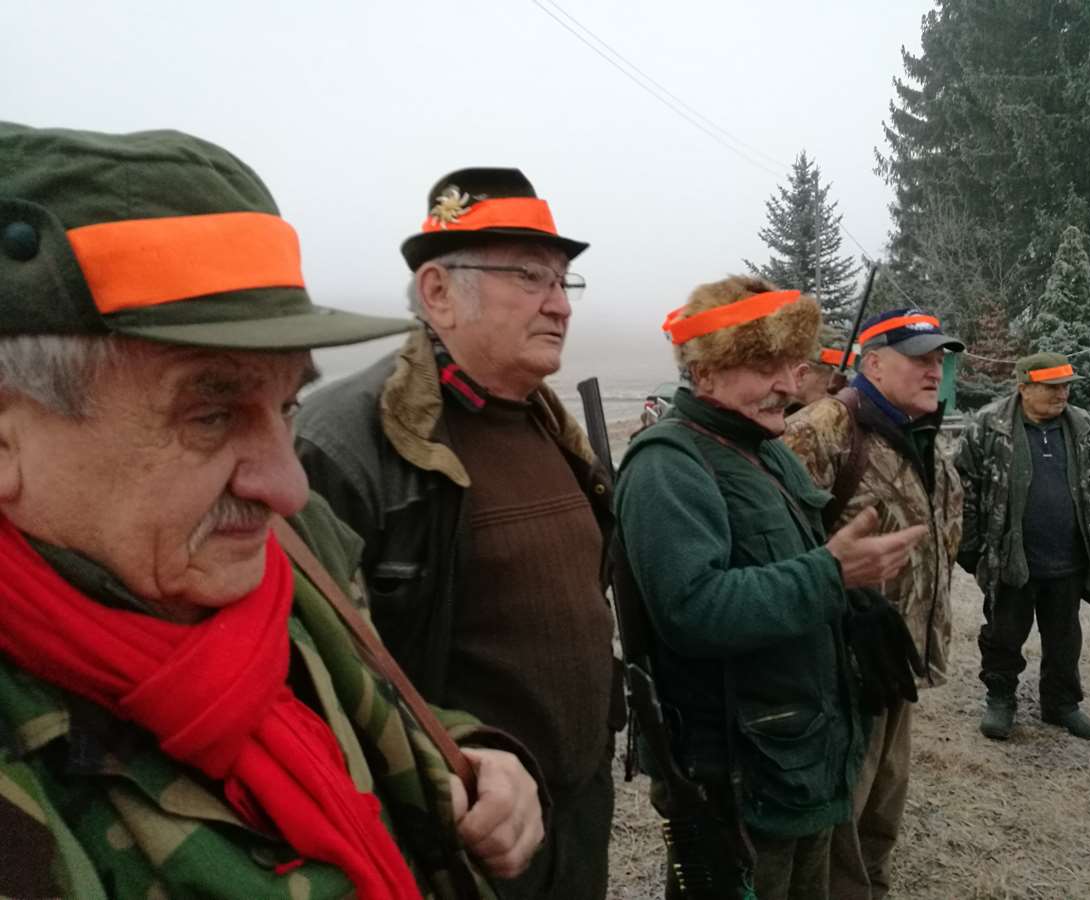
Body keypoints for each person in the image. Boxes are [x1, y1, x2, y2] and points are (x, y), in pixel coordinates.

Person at [0, 123, 543, 900]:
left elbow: (364, 703)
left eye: (286, 405)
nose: (288, 487)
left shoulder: (290, 548)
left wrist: (467, 755)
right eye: (210, 415)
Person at [295, 168, 621, 899]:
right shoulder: (347, 440)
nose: (560, 304)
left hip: (575, 816)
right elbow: (313, 678)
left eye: (564, 280)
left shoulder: (549, 425)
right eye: (530, 276)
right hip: (454, 838)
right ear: (439, 292)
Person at [616, 276, 927, 900]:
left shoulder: (765, 448)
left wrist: (856, 605)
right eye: (765, 367)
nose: (789, 384)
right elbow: (692, 609)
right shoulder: (668, 466)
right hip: (735, 775)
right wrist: (830, 575)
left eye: (792, 364)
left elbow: (791, 562)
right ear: (705, 371)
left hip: (799, 754)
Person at [784, 307, 964, 900]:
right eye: (920, 359)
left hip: (898, 656)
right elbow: (777, 548)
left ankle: (871, 886)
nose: (935, 370)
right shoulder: (821, 430)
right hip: (843, 664)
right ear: (875, 364)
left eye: (939, 359)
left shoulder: (922, 431)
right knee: (842, 806)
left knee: (884, 799)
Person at [955, 352, 1090, 743]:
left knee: (1065, 638)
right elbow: (964, 492)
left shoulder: (1086, 427)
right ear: (1024, 387)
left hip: (1069, 558)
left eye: (1066, 386)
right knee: (1003, 634)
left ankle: (1061, 704)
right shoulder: (988, 426)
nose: (1062, 394)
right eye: (1051, 387)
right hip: (1010, 558)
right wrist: (972, 551)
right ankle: (1000, 699)